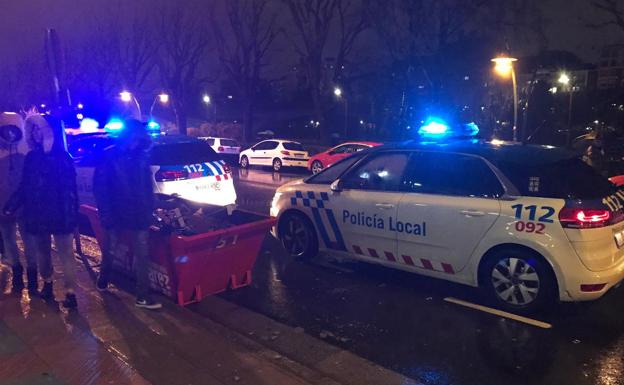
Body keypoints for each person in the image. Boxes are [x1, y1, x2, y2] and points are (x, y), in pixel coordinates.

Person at [4, 115, 79, 308]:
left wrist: (73, 214)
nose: (37, 133)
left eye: (40, 129)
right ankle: (47, 282)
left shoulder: (62, 157)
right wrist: (12, 204)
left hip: (60, 212)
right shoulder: (32, 157)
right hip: (38, 213)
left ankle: (70, 292)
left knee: (66, 254)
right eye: (34, 130)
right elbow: (25, 186)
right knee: (43, 253)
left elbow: (71, 189)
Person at [93, 119, 162, 310]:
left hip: (138, 214)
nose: (138, 141)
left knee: (142, 254)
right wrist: (106, 214)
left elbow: (146, 187)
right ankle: (103, 278)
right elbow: (101, 189)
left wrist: (150, 208)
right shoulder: (110, 157)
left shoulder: (142, 157)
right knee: (110, 250)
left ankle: (142, 296)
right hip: (116, 213)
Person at [0, 112, 39, 294]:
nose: (9, 134)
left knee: (30, 242)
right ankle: (17, 271)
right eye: (5, 130)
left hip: (25, 207)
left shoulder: (27, 152)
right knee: (9, 242)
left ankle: (32, 274)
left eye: (13, 129)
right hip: (3, 207)